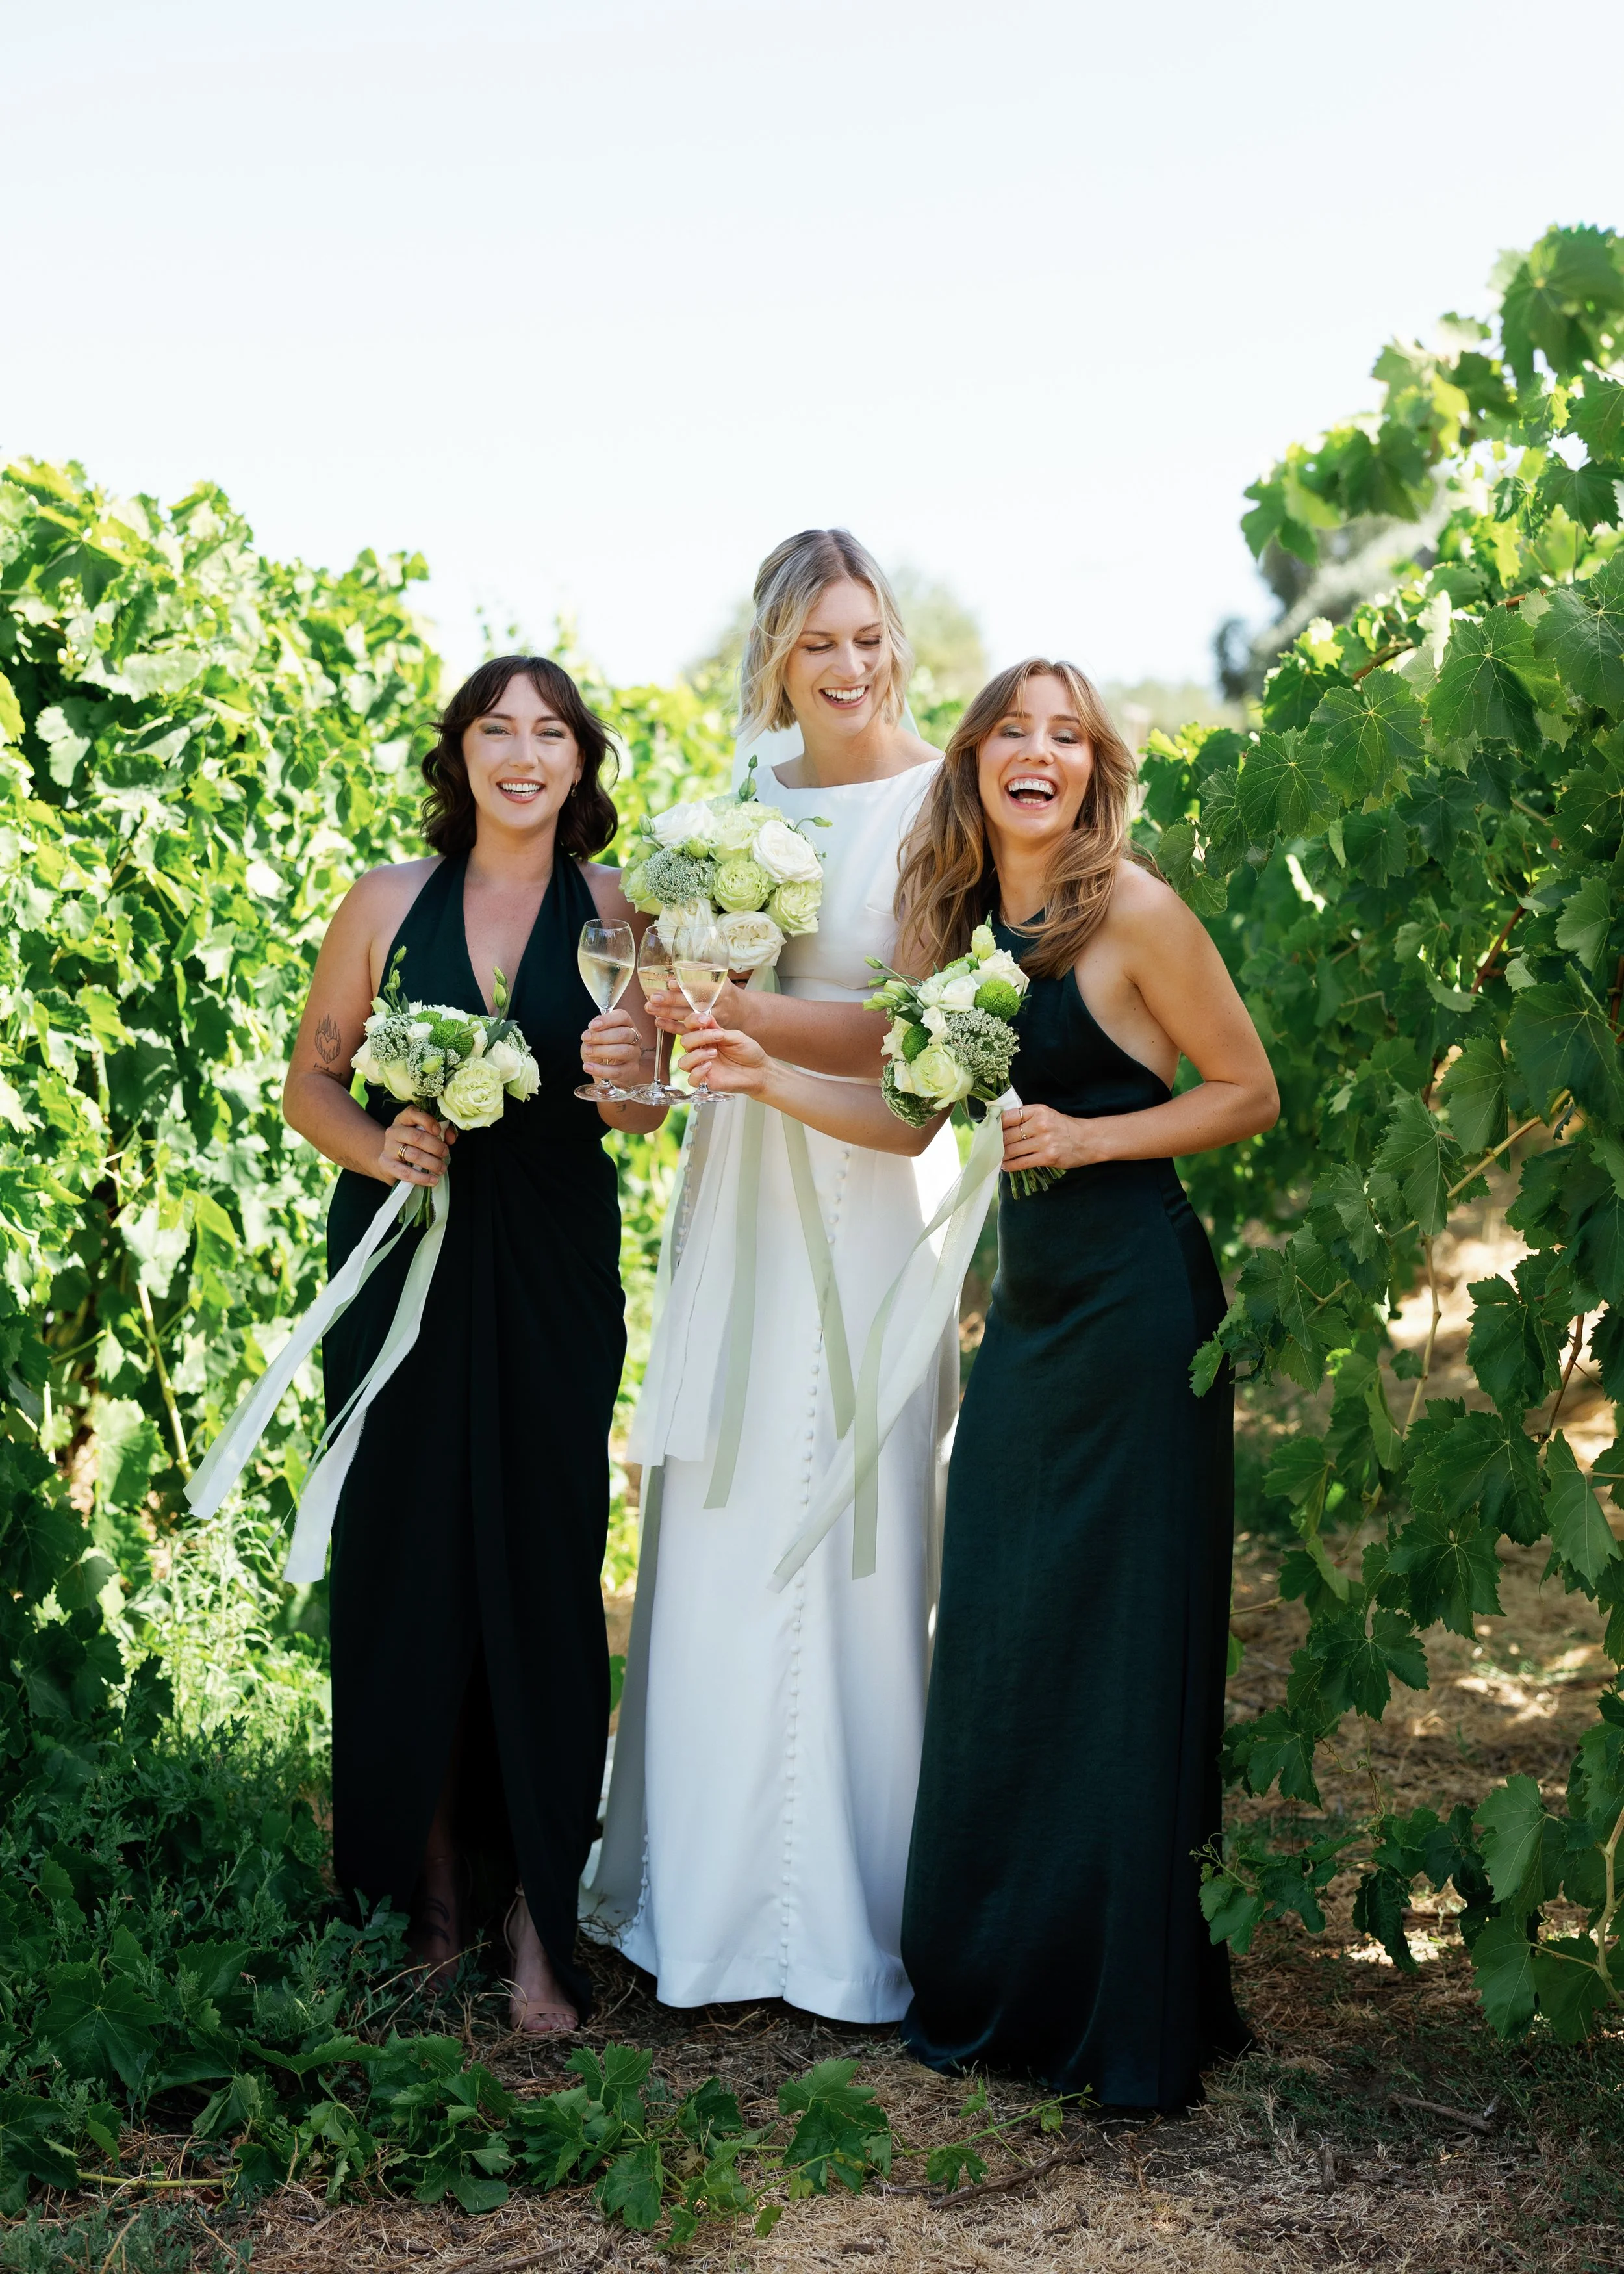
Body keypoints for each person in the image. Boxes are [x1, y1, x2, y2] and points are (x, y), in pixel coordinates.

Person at [577, 530, 961, 2022]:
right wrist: (653, 1031)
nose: (849, 668)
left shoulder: (940, 802)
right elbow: (673, 1012)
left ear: (893, 641)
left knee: (866, 1521)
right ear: (775, 656)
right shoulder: (731, 800)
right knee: (731, 1505)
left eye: (867, 636)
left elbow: (920, 1038)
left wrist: (734, 1012)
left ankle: (854, 1918)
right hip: (741, 1180)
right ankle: (716, 1911)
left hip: (874, 1186)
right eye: (819, 645)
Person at [889, 658, 1277, 2108]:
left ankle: (1116, 2005)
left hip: (1133, 1305)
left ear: (1093, 765)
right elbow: (901, 1106)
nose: (1038, 752)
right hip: (1033, 1310)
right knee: (1003, 1614)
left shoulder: (1133, 911)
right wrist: (741, 1062)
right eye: (1013, 730)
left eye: (1068, 733)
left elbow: (1243, 1089)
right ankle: (1008, 1972)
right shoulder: (962, 920)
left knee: (1114, 1642)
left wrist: (1088, 1138)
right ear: (977, 758)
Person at [283, 655, 663, 2034]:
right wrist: (380, 1145)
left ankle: (537, 1920)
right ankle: (422, 1892)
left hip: (554, 1264)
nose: (521, 751)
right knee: (407, 1563)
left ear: (579, 763)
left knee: (544, 1563)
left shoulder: (621, 912)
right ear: (460, 755)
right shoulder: (385, 902)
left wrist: (633, 1080)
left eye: (547, 731)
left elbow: (638, 1113)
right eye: (493, 728)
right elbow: (309, 1079)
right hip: (401, 1263)